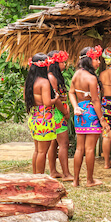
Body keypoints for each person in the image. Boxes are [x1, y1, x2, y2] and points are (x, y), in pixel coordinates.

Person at [69, 45, 110, 187]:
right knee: (90, 149)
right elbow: (95, 101)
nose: (99, 62)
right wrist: (102, 120)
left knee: (79, 148)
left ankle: (75, 180)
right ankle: (89, 180)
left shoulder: (76, 75)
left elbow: (71, 93)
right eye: (96, 59)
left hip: (79, 113)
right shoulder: (91, 79)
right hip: (91, 114)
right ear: (88, 60)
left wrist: (75, 107)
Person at [24, 53, 58, 174]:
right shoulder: (44, 82)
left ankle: (35, 176)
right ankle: (40, 178)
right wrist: (57, 98)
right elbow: (47, 102)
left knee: (37, 151)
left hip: (34, 119)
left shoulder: (29, 82)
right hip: (44, 120)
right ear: (43, 67)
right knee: (42, 152)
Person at [46, 50, 74, 181]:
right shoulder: (52, 77)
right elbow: (55, 99)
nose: (65, 65)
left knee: (54, 143)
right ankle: (66, 174)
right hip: (56, 113)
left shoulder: (53, 76)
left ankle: (53, 171)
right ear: (55, 64)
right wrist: (65, 111)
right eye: (62, 62)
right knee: (64, 143)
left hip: (56, 113)